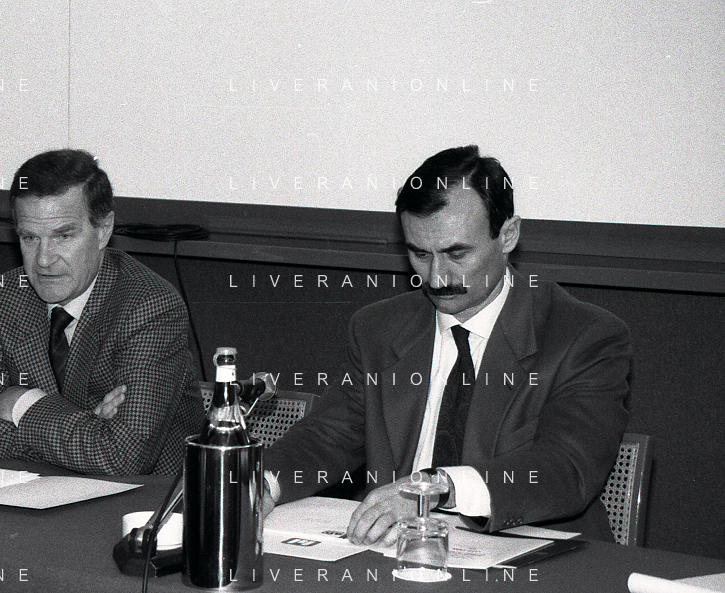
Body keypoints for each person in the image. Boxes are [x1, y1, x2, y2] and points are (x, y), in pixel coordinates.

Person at [264, 145, 632, 544]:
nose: (437, 277)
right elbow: (329, 437)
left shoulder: (582, 336)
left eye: (457, 253)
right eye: (420, 255)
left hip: (530, 556)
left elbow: (567, 467)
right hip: (396, 552)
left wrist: (439, 487)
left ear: (508, 235)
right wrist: (263, 483)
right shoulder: (377, 329)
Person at [0, 149, 202, 475]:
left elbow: (123, 458)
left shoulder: (149, 307)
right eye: (30, 238)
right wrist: (86, 430)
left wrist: (22, 404)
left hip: (144, 500)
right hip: (34, 493)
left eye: (63, 236)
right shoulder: (3, 298)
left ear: (103, 229)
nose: (44, 259)